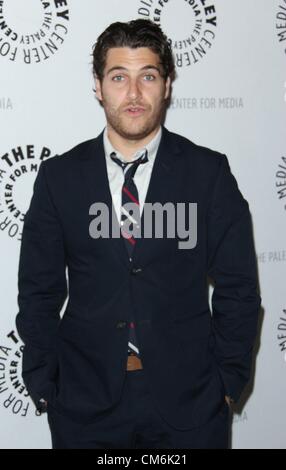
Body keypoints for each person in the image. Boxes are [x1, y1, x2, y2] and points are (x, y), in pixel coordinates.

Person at [16, 19, 261, 449]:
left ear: (166, 85)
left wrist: (226, 384)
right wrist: (44, 383)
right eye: (118, 77)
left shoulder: (208, 174)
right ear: (98, 86)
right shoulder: (59, 179)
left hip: (191, 406)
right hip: (84, 406)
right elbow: (38, 291)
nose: (133, 94)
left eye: (147, 76)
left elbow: (238, 289)